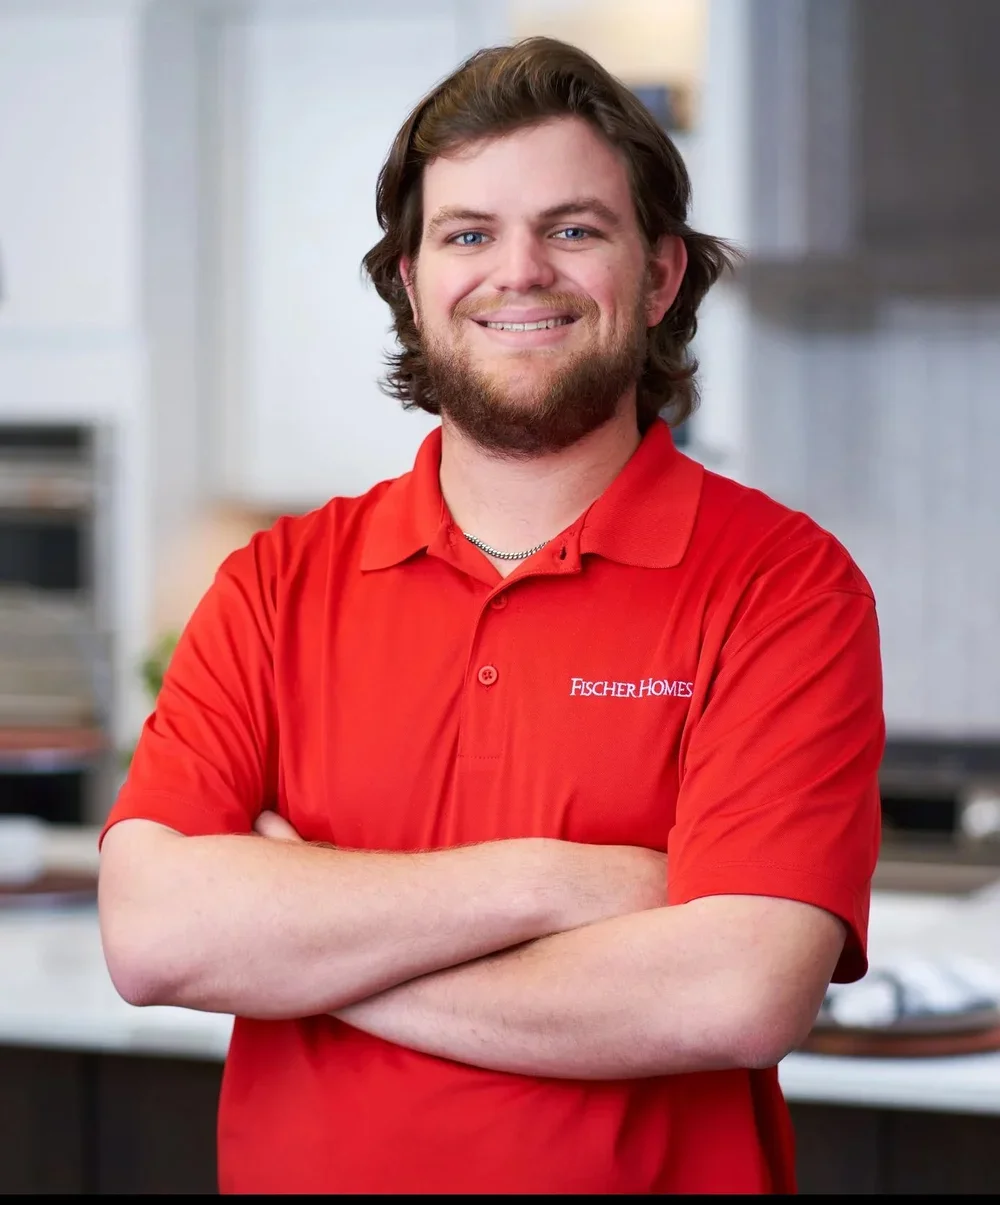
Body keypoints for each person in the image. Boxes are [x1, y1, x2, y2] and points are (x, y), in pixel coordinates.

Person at [98, 37, 884, 1195]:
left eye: (573, 228)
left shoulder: (784, 586)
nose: (520, 271)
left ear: (659, 276)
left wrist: (304, 944)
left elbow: (737, 991)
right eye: (468, 234)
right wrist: (554, 881)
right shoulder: (275, 582)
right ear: (411, 282)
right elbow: (153, 936)